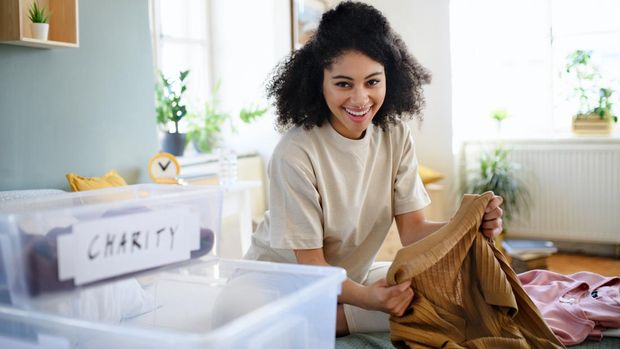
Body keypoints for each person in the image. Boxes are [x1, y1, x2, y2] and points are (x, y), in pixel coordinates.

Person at [244, 1, 504, 336]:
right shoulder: (295, 153)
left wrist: (468, 223)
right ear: (318, 82)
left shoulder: (395, 136)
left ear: (389, 79)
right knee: (427, 310)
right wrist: (369, 299)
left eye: (371, 82)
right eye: (343, 83)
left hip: (348, 279)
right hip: (278, 287)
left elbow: (414, 230)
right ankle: (320, 322)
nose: (359, 98)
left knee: (454, 296)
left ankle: (335, 318)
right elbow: (312, 269)